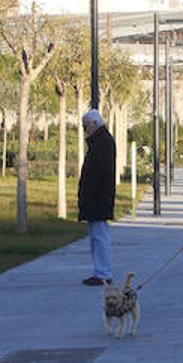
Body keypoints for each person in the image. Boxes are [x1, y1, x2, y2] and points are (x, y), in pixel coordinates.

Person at [77, 109, 116, 286]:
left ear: (94, 124)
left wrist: (90, 192)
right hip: (96, 198)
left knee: (100, 237)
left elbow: (100, 172)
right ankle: (100, 271)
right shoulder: (100, 142)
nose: (85, 130)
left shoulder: (102, 142)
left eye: (86, 126)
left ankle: (103, 272)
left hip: (98, 198)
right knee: (97, 236)